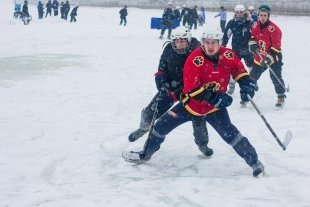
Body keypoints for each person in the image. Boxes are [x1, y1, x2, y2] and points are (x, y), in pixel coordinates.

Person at [123, 29, 265, 177]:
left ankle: (254, 162)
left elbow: (238, 70)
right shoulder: (194, 58)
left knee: (231, 135)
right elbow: (192, 89)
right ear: (202, 43)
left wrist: (245, 82)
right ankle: (146, 153)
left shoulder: (228, 54)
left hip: (214, 109)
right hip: (190, 105)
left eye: (214, 43)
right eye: (207, 43)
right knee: (160, 127)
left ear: (220, 43)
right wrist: (217, 98)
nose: (210, 47)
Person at [128, 27, 213, 157]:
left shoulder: (197, 52)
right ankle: (143, 128)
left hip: (192, 90)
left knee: (198, 117)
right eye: (177, 41)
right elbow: (162, 68)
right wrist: (161, 82)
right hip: (171, 86)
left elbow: (196, 78)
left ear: (189, 40)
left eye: (183, 41)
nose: (180, 44)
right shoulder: (168, 49)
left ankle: (203, 144)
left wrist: (178, 92)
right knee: (151, 110)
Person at [248, 5, 286, 107]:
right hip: (259, 56)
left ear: (268, 16)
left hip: (274, 59)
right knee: (252, 77)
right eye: (261, 15)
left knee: (275, 77)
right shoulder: (255, 25)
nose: (263, 17)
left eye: (265, 15)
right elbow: (252, 37)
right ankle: (247, 94)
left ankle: (281, 96)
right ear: (258, 15)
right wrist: (252, 44)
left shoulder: (274, 29)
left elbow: (276, 47)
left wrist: (268, 59)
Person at [222, 4, 254, 102]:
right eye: (237, 12)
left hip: (248, 50)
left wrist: (255, 44)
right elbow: (226, 35)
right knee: (234, 69)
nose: (239, 14)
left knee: (251, 68)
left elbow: (255, 35)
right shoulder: (232, 23)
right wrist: (223, 45)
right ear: (235, 13)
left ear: (244, 12)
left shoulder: (250, 22)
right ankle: (231, 86)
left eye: (241, 12)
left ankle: (252, 83)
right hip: (236, 50)